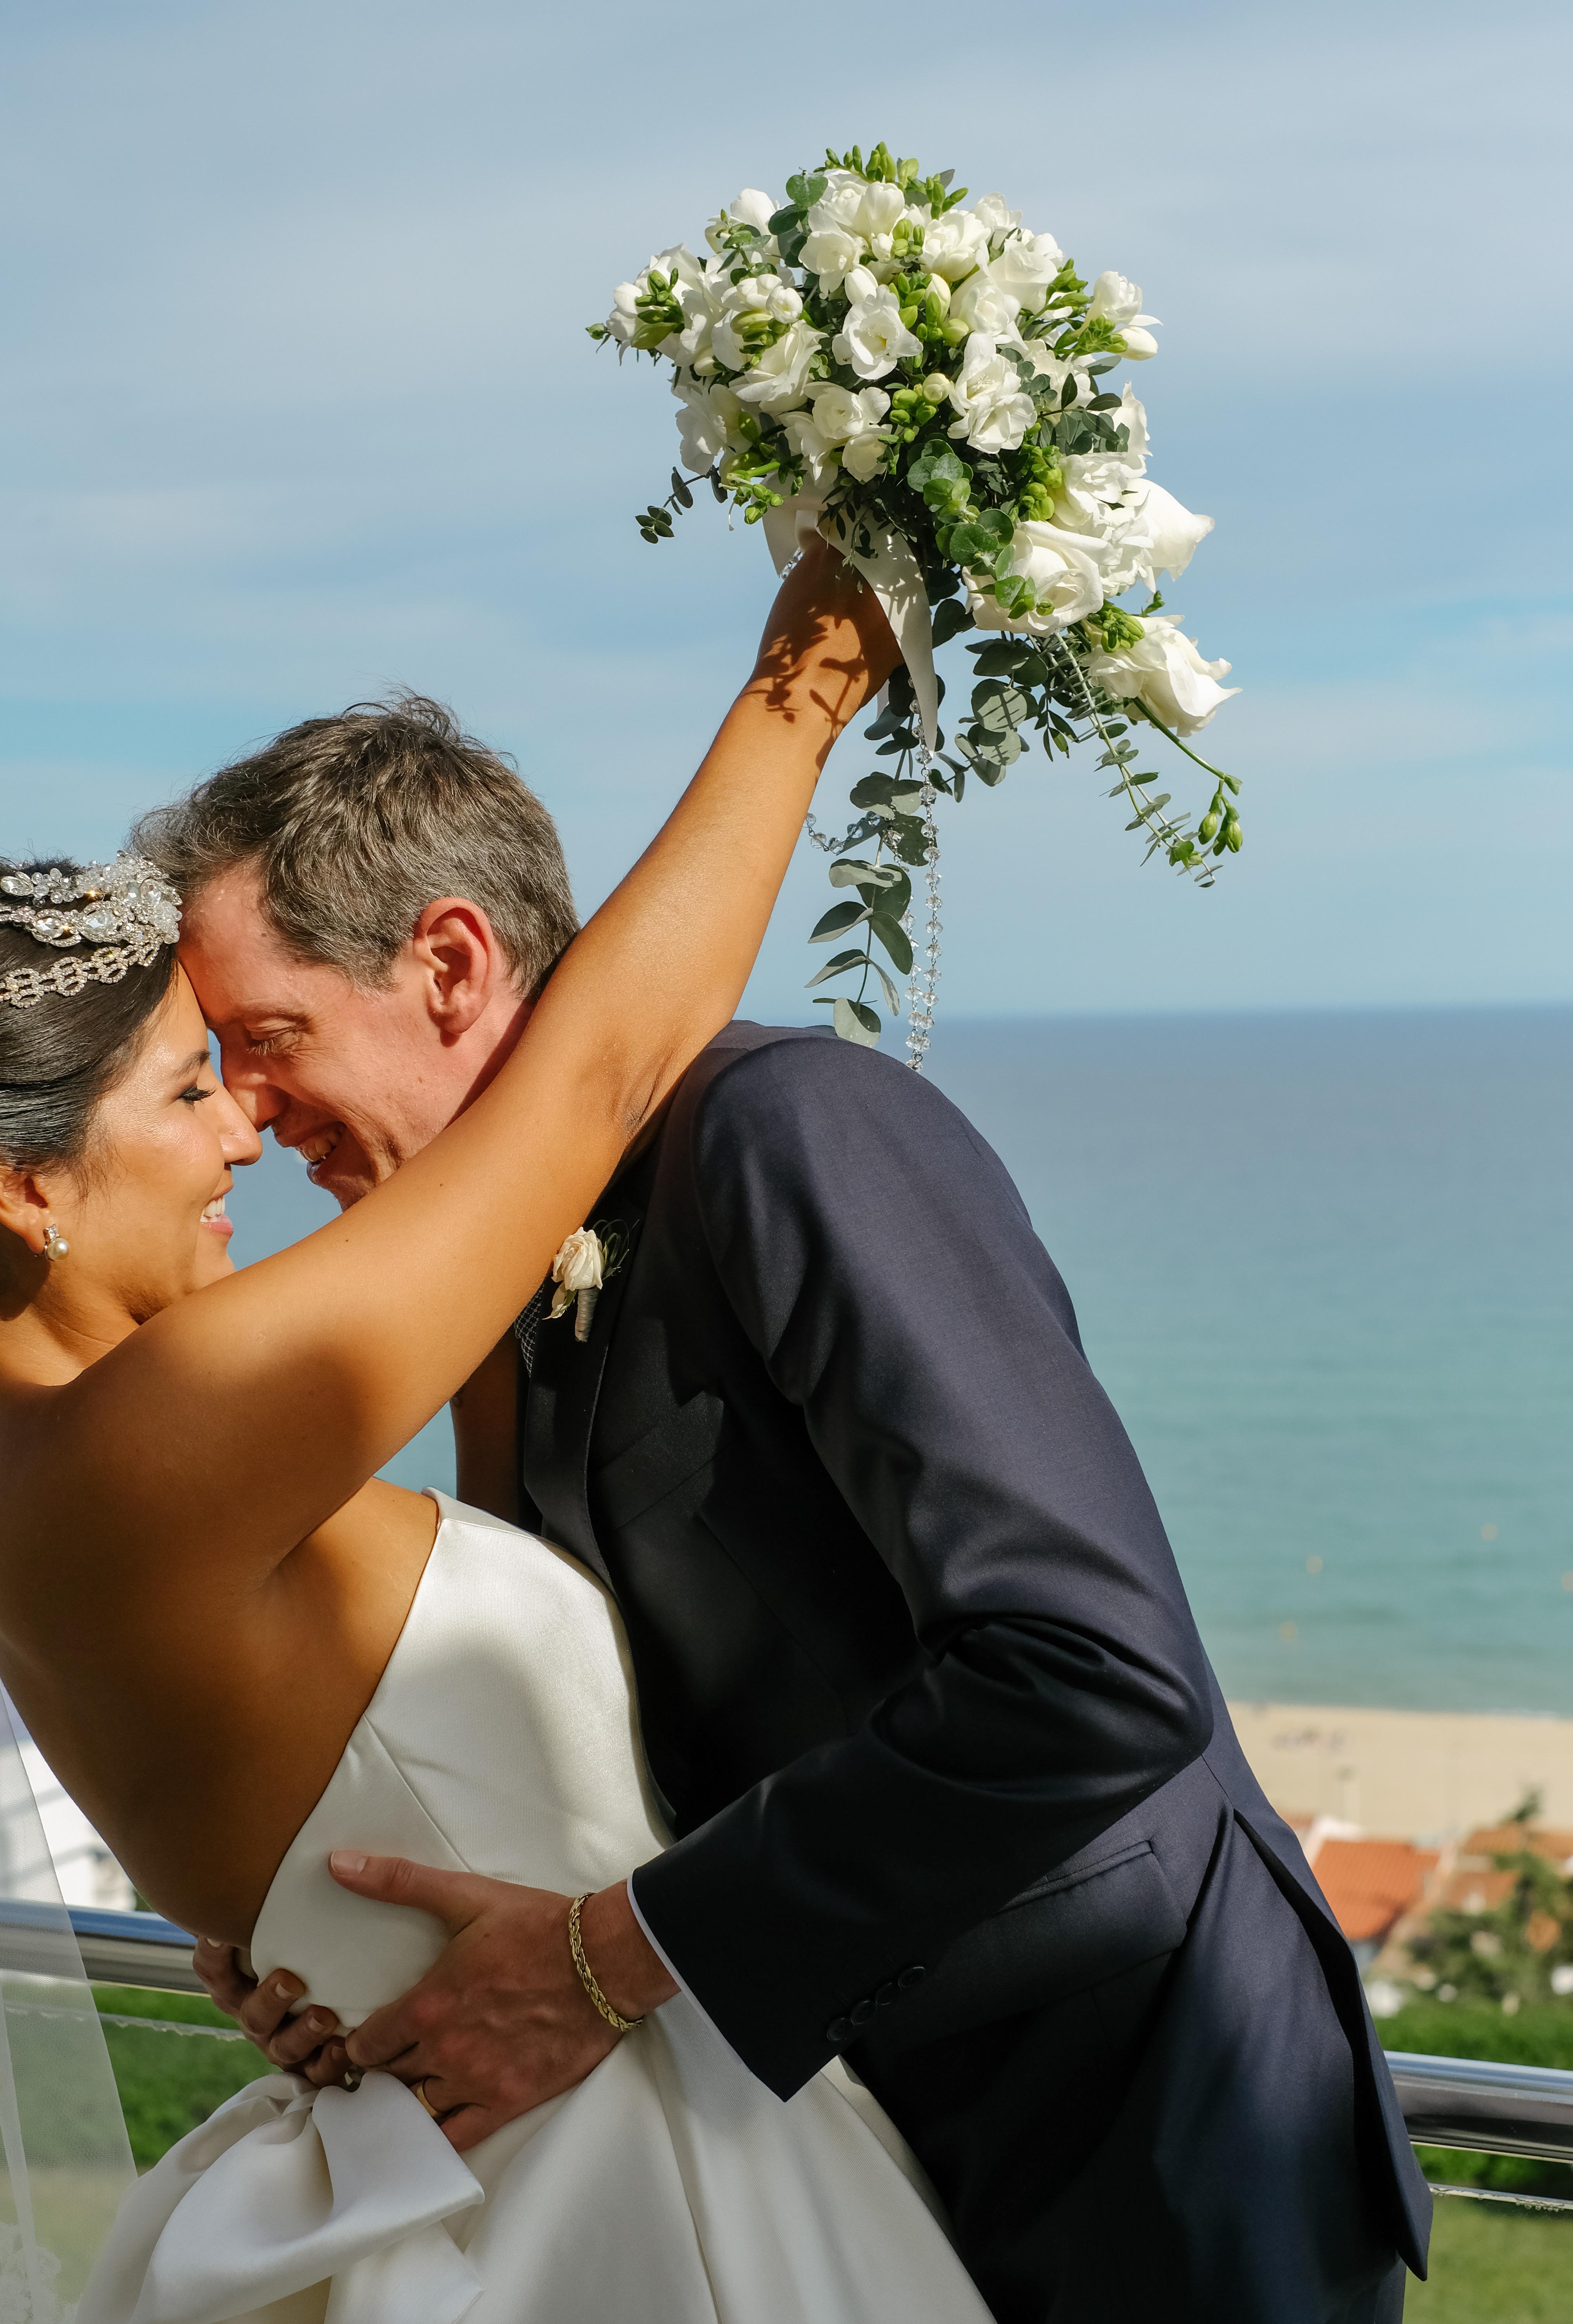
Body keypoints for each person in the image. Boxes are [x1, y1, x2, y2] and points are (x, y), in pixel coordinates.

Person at [148, 617, 1431, 2321]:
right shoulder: (492, 1294)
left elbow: (1094, 1676)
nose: (244, 1112)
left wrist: (621, 1959)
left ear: (450, 964)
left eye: (266, 1036)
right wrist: (338, 1941)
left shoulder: (790, 1135)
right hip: (845, 2143)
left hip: (1146, 2126)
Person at [0, 549, 1005, 2324]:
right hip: (612, 2179)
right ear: (27, 1189)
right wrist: (818, 664)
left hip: (481, 2120)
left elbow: (357, 1716)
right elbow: (600, 1071)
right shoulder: (148, 1448)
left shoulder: (79, 1480)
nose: (242, 1129)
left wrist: (283, 1927)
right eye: (187, 1087)